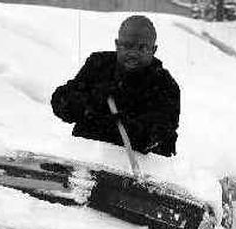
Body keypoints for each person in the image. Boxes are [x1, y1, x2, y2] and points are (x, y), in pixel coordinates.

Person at [51, 15, 180, 157]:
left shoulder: (165, 85)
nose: (133, 53)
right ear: (117, 44)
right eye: (127, 46)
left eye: (142, 48)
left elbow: (158, 136)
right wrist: (93, 99)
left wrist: (117, 120)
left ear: (153, 50)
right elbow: (60, 102)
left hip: (134, 168)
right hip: (84, 157)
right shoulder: (99, 65)